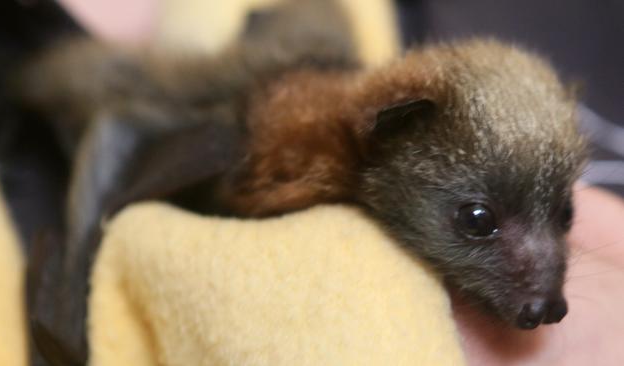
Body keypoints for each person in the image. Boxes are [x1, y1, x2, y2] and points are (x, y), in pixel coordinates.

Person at [60, 1, 624, 364]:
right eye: (477, 221)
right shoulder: (272, 150)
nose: (545, 290)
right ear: (385, 136)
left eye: (562, 214)